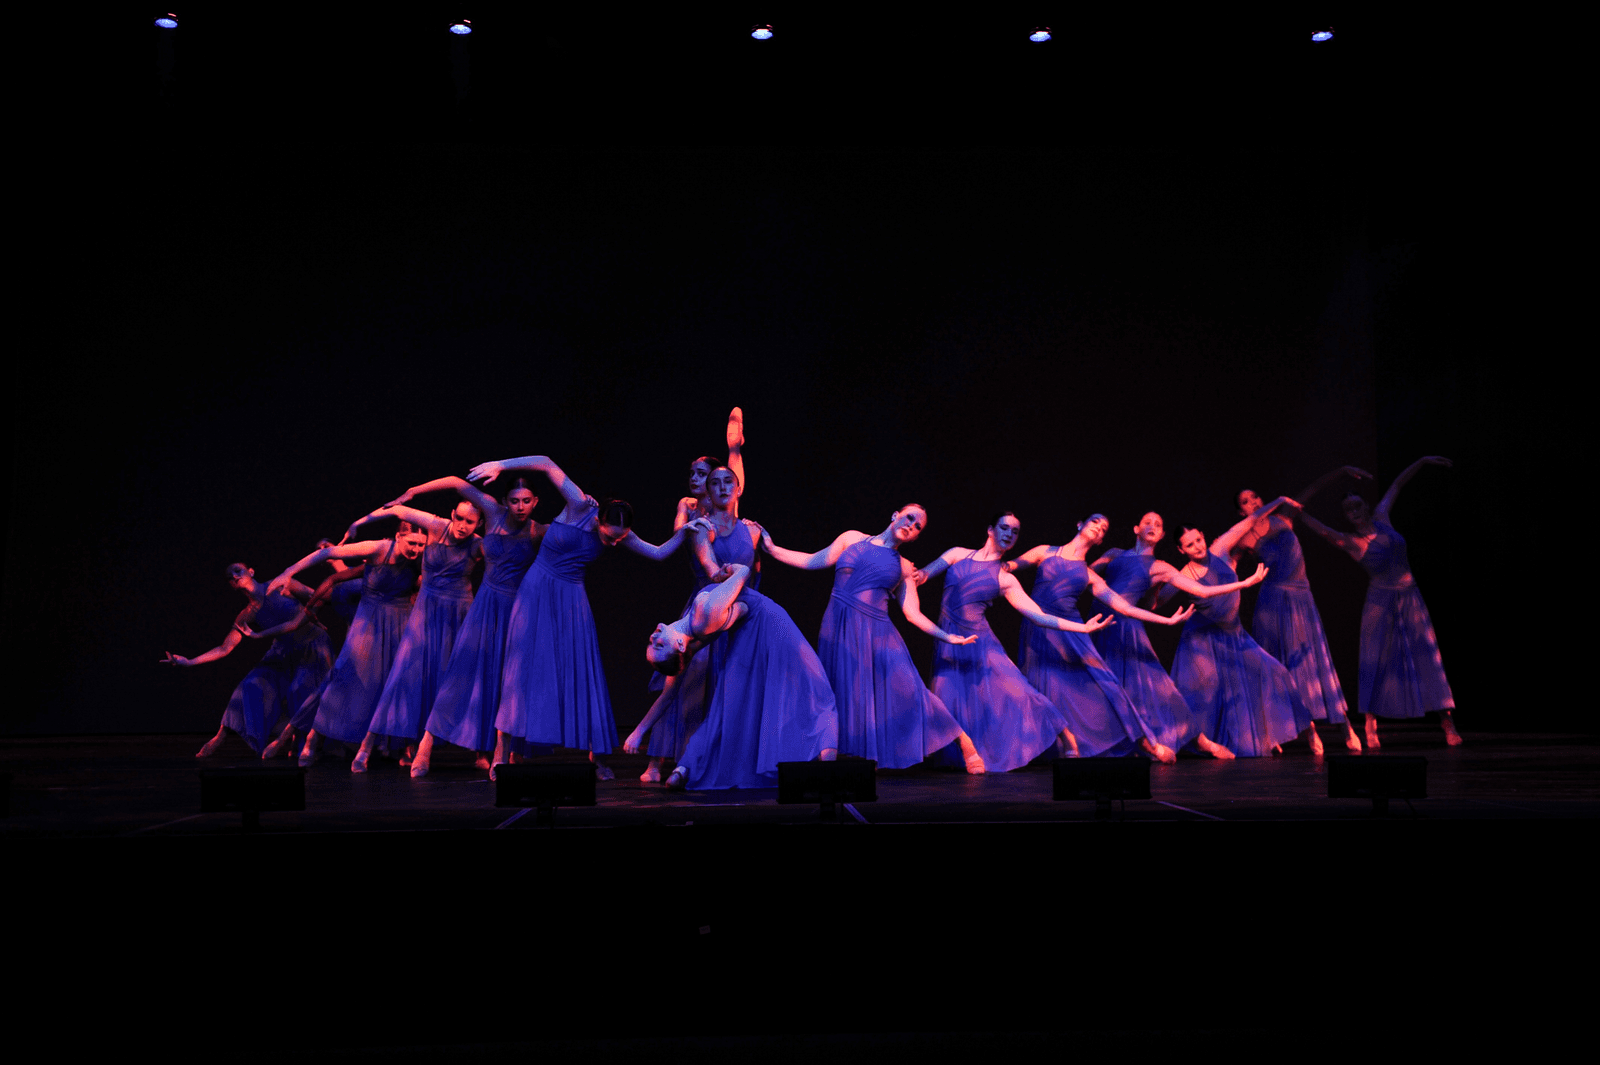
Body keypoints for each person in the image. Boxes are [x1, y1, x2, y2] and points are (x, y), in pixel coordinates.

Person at [466, 454, 701, 779]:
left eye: (620, 538)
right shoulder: (579, 505)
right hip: (536, 592)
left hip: (572, 599)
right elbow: (546, 463)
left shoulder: (622, 533)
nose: (614, 542)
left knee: (583, 672)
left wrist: (684, 529)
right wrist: (501, 466)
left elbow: (658, 553)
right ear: (599, 520)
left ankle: (598, 756)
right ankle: (500, 754)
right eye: (609, 536)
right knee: (519, 671)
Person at [761, 505, 988, 773]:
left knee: (910, 689)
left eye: (918, 526)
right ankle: (850, 758)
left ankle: (963, 740)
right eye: (909, 518)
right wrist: (772, 549)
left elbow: (913, 614)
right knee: (844, 691)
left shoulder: (904, 567)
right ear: (895, 515)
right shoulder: (851, 538)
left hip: (879, 634)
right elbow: (813, 561)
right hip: (837, 627)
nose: (911, 525)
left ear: (916, 537)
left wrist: (948, 636)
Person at [911, 512, 1114, 771]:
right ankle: (968, 748)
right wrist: (913, 575)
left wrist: (1082, 627)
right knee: (946, 696)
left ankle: (1065, 734)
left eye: (1015, 532)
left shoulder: (1005, 578)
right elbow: (924, 575)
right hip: (949, 640)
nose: (1009, 534)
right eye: (1005, 528)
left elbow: (1039, 616)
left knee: (1020, 691)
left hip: (981, 642)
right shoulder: (957, 554)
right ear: (990, 530)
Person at [1292, 456, 1461, 747]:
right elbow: (1315, 524)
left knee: (1427, 656)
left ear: (1366, 506)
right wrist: (1294, 508)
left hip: (1410, 597)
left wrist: (1422, 461)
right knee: (1374, 660)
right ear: (1346, 516)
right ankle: (1370, 724)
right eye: (1349, 509)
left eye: (1357, 505)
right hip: (1380, 602)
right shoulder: (1349, 541)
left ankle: (1447, 722)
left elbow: (1398, 484)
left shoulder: (1382, 517)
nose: (1355, 511)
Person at [1005, 514, 1195, 762]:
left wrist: (1166, 620)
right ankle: (1064, 746)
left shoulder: (1089, 575)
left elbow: (1125, 607)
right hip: (1038, 628)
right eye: (1095, 522)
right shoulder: (1044, 551)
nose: (1098, 527)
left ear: (1100, 540)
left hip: (1075, 632)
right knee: (1047, 688)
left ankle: (1147, 744)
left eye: (1104, 528)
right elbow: (1009, 566)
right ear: (1080, 524)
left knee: (1107, 686)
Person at [1089, 512, 1269, 758]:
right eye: (1147, 522)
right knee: (1105, 687)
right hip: (1099, 624)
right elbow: (1083, 575)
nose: (1152, 526)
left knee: (1158, 687)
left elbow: (1201, 591)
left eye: (1158, 524)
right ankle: (1130, 743)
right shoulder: (1114, 554)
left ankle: (1202, 741)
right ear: (1136, 529)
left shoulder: (1160, 567)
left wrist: (1244, 584)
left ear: (1162, 535)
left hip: (1127, 628)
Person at [646, 561, 839, 789]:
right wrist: (730, 569)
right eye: (660, 646)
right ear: (679, 645)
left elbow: (735, 612)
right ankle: (828, 775)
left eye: (651, 644)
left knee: (730, 706)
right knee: (818, 694)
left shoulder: (694, 626)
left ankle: (684, 768)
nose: (654, 638)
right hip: (770, 625)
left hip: (750, 632)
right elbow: (744, 574)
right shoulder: (703, 616)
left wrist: (639, 733)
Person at [403, 477, 547, 778]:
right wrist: (413, 491)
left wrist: (584, 504)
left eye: (526, 501)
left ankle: (500, 752)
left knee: (509, 682)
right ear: (505, 501)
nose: (520, 507)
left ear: (535, 502)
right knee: (460, 673)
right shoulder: (492, 513)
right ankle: (426, 745)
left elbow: (574, 534)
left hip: (517, 610)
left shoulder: (538, 531)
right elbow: (456, 482)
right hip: (485, 605)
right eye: (514, 501)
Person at [626, 463, 759, 781]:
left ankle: (717, 761)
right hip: (704, 602)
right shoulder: (694, 516)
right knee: (685, 683)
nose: (697, 480)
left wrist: (735, 449)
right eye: (695, 475)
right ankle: (662, 761)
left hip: (732, 606)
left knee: (726, 685)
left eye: (704, 474)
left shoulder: (740, 523)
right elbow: (682, 544)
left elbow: (734, 488)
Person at [340, 497, 484, 772]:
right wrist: (358, 523)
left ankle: (477, 750)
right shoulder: (435, 526)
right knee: (402, 677)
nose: (462, 525)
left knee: (458, 678)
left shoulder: (478, 544)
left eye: (470, 521)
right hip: (426, 611)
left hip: (458, 613)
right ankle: (366, 746)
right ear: (452, 514)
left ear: (478, 524)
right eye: (459, 518)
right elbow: (396, 509)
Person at [1232, 468, 1371, 753]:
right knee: (1288, 667)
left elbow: (1312, 488)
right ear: (1240, 512)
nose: (1253, 502)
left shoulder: (1284, 517)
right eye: (1246, 501)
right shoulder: (1245, 539)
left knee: (1317, 662)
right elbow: (1226, 567)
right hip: (1273, 604)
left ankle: (1344, 725)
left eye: (1255, 496)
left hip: (1301, 600)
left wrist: (1340, 472)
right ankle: (1309, 731)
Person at [267, 524, 429, 766]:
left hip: (400, 624)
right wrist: (289, 573)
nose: (416, 549)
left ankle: (405, 746)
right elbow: (329, 556)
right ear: (398, 537)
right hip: (368, 623)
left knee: (399, 684)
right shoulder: (378, 550)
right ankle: (312, 738)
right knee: (343, 680)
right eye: (411, 543)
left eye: (421, 544)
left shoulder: (419, 562)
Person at [1166, 501, 1313, 756]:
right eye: (1190, 545)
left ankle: (1305, 729)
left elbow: (1249, 521)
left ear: (1203, 536)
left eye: (1198, 540)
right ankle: (1203, 743)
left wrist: (1279, 501)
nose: (1197, 546)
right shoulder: (1183, 575)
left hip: (1235, 634)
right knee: (1207, 694)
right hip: (1203, 638)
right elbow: (1156, 600)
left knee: (1274, 672)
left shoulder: (1220, 549)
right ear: (1181, 550)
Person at [165, 564, 331, 758]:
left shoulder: (280, 585)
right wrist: (190, 661)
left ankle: (299, 741)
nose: (235, 576)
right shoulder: (247, 614)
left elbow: (317, 595)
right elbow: (225, 648)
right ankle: (220, 736)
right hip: (283, 651)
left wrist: (312, 613)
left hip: (312, 645)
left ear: (251, 571)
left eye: (238, 570)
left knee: (299, 691)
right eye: (230, 576)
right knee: (250, 685)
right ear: (232, 586)